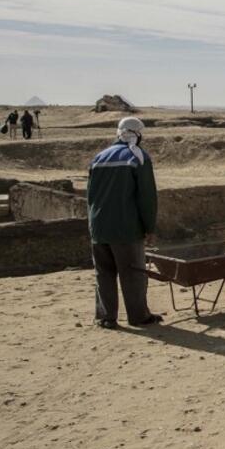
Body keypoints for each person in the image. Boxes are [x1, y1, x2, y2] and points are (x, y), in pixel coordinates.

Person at [86, 117, 161, 328]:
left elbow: (90, 196)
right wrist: (149, 227)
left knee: (104, 274)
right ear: (138, 134)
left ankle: (106, 317)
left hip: (99, 228)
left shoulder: (98, 158)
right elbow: (146, 197)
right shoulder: (137, 157)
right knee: (133, 273)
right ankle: (138, 316)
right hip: (126, 229)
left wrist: (93, 226)